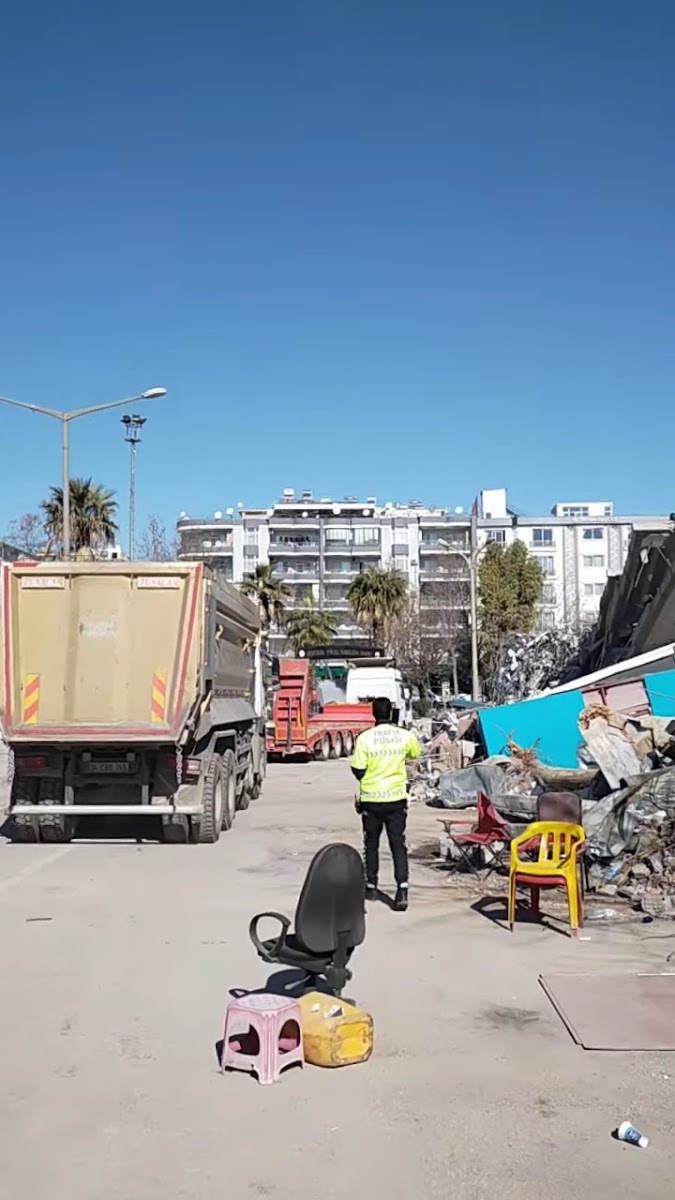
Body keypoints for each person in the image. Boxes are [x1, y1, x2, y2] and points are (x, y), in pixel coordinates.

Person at [350, 696, 420, 911]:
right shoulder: (404, 736)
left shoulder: (365, 738)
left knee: (371, 843)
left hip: (372, 799)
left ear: (373, 713)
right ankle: (402, 889)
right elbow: (415, 754)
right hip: (396, 799)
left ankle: (371, 886)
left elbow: (357, 768)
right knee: (397, 844)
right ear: (391, 712)